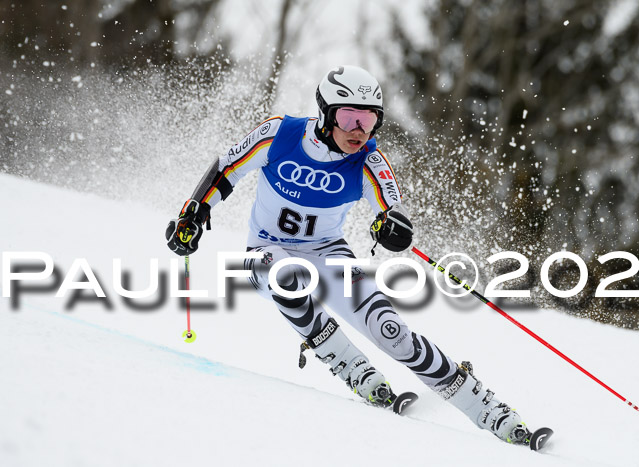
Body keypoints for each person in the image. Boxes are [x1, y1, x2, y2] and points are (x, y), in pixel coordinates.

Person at [166, 65, 531, 444]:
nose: (359, 130)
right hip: (265, 250)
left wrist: (391, 226)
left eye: (370, 119)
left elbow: (392, 209)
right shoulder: (281, 133)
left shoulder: (369, 161)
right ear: (325, 114)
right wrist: (194, 212)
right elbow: (227, 167)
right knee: (285, 277)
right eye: (349, 117)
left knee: (391, 333)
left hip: (328, 253)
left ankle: (486, 408)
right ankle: (351, 367)